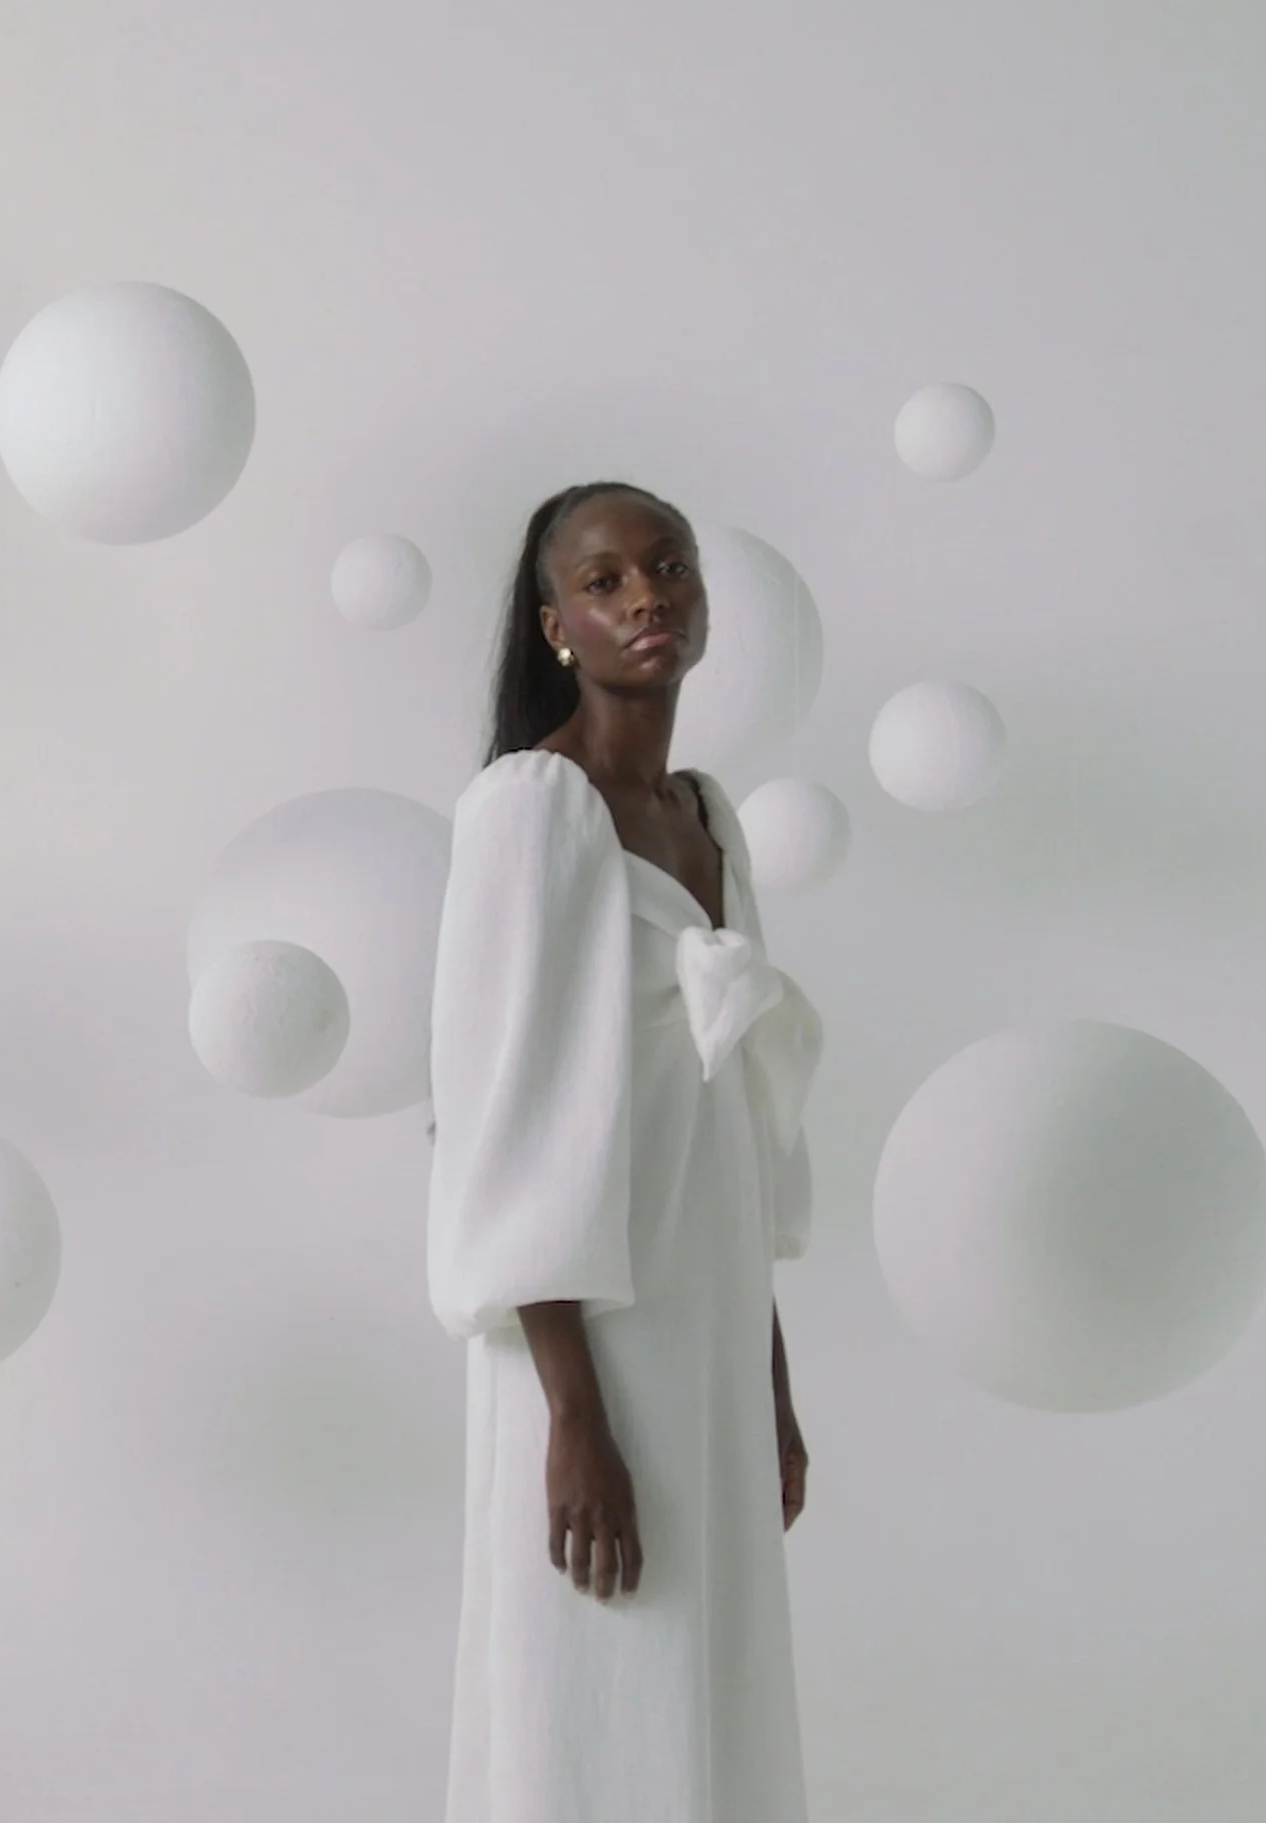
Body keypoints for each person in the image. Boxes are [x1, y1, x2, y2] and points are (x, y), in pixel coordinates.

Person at [426, 482, 822, 1822]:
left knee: (706, 1678)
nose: (647, 594)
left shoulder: (708, 817)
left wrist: (766, 1375)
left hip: (706, 1328)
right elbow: (502, 1120)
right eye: (607, 581)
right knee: (593, 1673)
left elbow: (739, 1129)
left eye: (668, 567)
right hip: (587, 1340)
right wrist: (574, 1419)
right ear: (556, 625)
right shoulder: (534, 808)